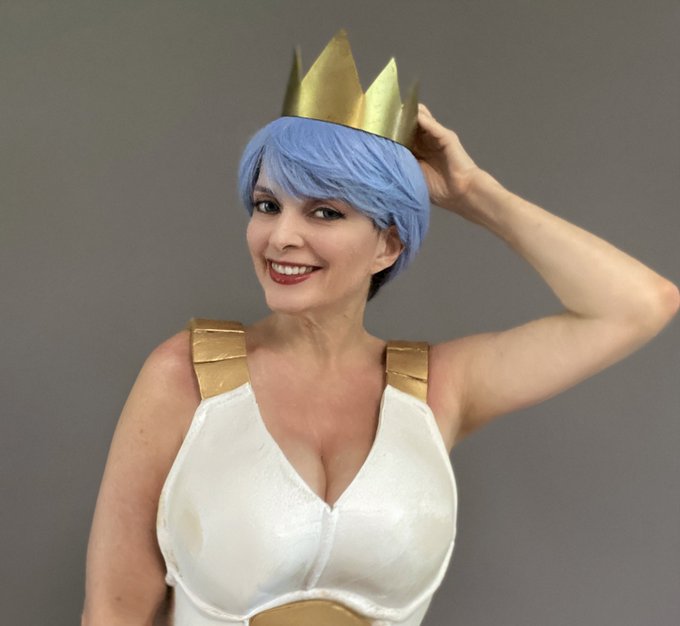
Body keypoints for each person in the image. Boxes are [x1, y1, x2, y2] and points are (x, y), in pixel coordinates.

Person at [81, 31, 679, 626]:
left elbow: (638, 305)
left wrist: (474, 193)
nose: (281, 236)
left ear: (387, 245)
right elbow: (111, 613)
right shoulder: (184, 377)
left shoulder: (437, 388)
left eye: (325, 212)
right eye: (267, 205)